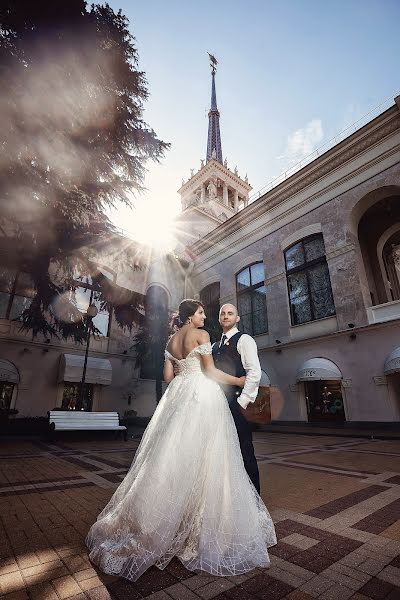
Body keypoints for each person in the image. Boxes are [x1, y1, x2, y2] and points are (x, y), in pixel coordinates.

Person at [86, 299, 276, 582]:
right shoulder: (202, 335)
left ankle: (162, 515)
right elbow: (210, 372)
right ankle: (199, 518)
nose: (205, 317)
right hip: (202, 394)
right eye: (201, 313)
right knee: (211, 453)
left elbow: (167, 375)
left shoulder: (170, 341)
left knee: (171, 454)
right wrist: (238, 382)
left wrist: (182, 369)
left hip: (177, 396)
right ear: (190, 317)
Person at [212, 303, 262, 493]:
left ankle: (255, 501)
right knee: (223, 452)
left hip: (238, 404)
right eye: (222, 313)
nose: (226, 316)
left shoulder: (244, 340)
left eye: (230, 313)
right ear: (219, 318)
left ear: (237, 318)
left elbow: (254, 373)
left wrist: (242, 402)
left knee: (245, 451)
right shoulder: (215, 346)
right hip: (218, 405)